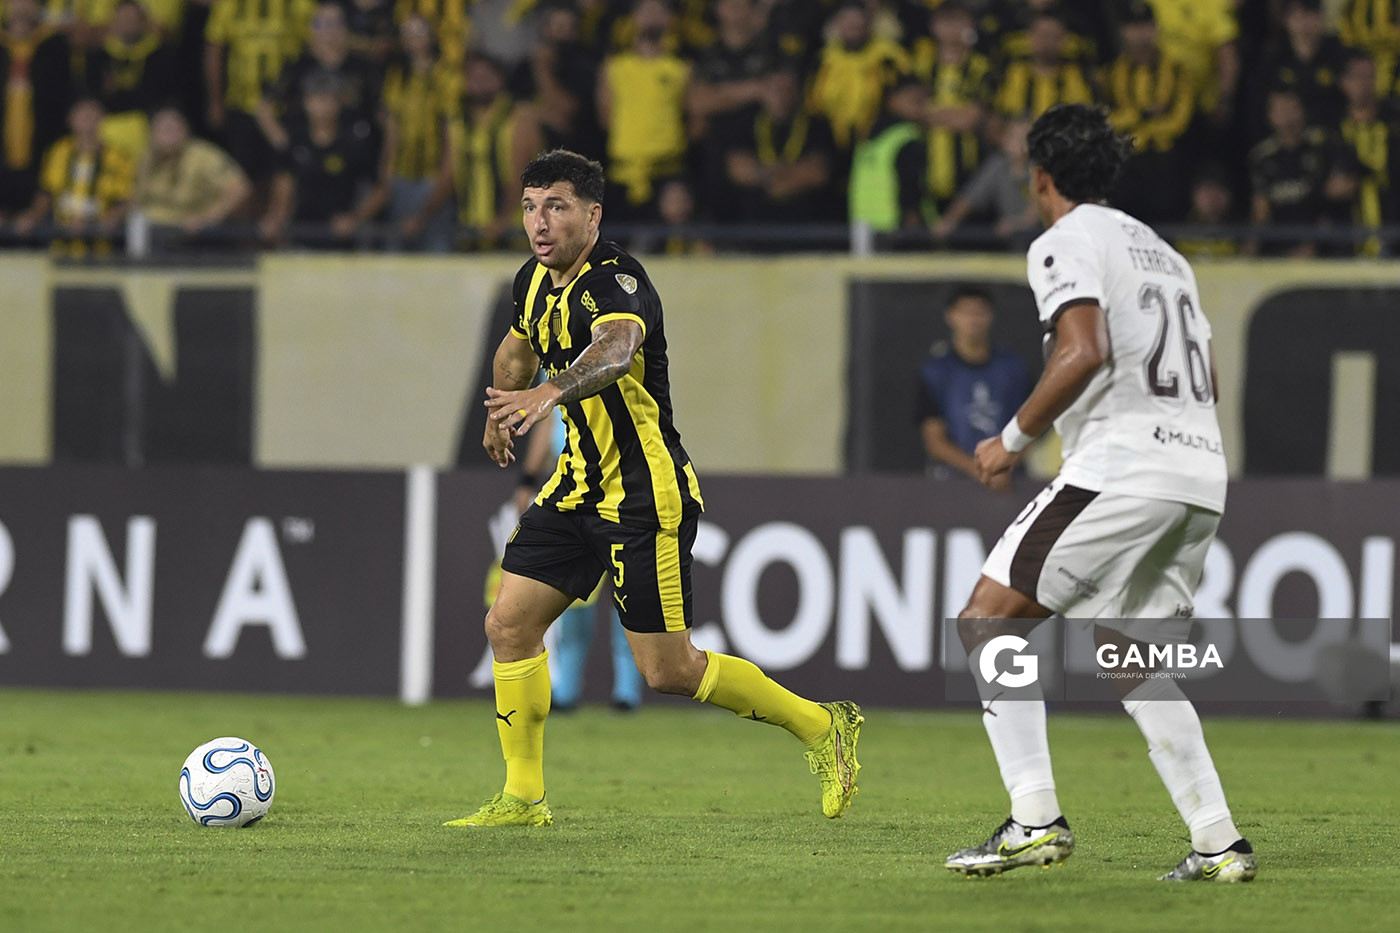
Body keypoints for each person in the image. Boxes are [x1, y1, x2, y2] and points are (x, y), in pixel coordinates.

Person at [446, 149, 862, 828]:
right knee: (508, 621)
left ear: (591, 213)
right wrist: (501, 411)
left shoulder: (618, 281)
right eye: (528, 206)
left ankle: (822, 726)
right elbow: (515, 351)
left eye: (555, 205)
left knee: (668, 670)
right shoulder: (532, 280)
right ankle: (524, 796)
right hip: (577, 484)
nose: (539, 222)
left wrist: (550, 390)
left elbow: (613, 352)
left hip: (644, 493)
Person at [943, 103, 1253, 883]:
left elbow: (1084, 349)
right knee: (1132, 655)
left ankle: (1035, 818)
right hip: (1198, 473)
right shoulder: (1165, 255)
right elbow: (1208, 377)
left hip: (1124, 467)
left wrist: (1010, 439)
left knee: (987, 620)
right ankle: (1218, 841)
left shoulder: (1065, 240)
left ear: (1038, 174)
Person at [514, 397, 644, 712]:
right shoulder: (558, 357)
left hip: (621, 484)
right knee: (570, 589)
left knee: (625, 587)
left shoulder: (620, 355)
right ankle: (567, 687)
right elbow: (547, 421)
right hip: (571, 486)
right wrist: (528, 479)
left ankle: (627, 689)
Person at [913, 287, 1028, 487]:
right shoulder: (935, 372)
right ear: (950, 316)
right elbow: (935, 441)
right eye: (966, 312)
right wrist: (981, 470)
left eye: (980, 312)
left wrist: (1004, 465)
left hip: (1010, 480)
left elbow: (1032, 425)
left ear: (991, 316)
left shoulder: (1014, 368)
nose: (973, 320)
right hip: (949, 483)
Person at [259, 72, 386, 247]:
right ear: (306, 102)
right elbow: (284, 184)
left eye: (328, 99)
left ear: (339, 102)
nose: (322, 106)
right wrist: (276, 217)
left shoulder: (354, 143)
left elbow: (381, 190)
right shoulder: (295, 142)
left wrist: (355, 218)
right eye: (316, 98)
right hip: (301, 235)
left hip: (342, 239)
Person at [13, 96, 135, 256]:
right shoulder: (58, 152)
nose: (88, 119)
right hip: (60, 241)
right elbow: (46, 192)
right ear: (70, 119)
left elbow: (125, 200)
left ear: (103, 120)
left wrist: (110, 220)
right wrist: (33, 216)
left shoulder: (118, 158)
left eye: (93, 114)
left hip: (100, 246)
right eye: (83, 114)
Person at [135, 105, 251, 242]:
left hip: (195, 238)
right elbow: (137, 198)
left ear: (185, 131)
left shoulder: (204, 156)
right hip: (153, 235)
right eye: (160, 130)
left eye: (171, 129)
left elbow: (240, 189)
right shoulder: (147, 159)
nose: (166, 136)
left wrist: (208, 218)